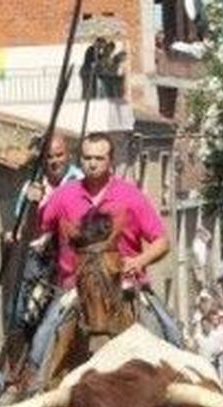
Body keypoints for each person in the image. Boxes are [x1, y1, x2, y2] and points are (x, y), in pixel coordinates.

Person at [28, 131, 178, 376]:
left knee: (172, 334)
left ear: (111, 160)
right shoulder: (63, 196)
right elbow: (36, 230)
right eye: (87, 157)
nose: (92, 163)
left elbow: (161, 242)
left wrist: (139, 260)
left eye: (99, 158)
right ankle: (34, 401)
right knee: (39, 348)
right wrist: (32, 204)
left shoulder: (131, 196)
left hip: (128, 287)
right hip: (74, 290)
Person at [5, 134, 81, 345]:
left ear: (68, 156)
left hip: (72, 256)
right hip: (39, 258)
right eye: (49, 157)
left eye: (59, 155)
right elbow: (23, 228)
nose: (55, 161)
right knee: (16, 312)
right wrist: (16, 232)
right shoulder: (32, 187)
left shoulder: (80, 182)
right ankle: (17, 367)